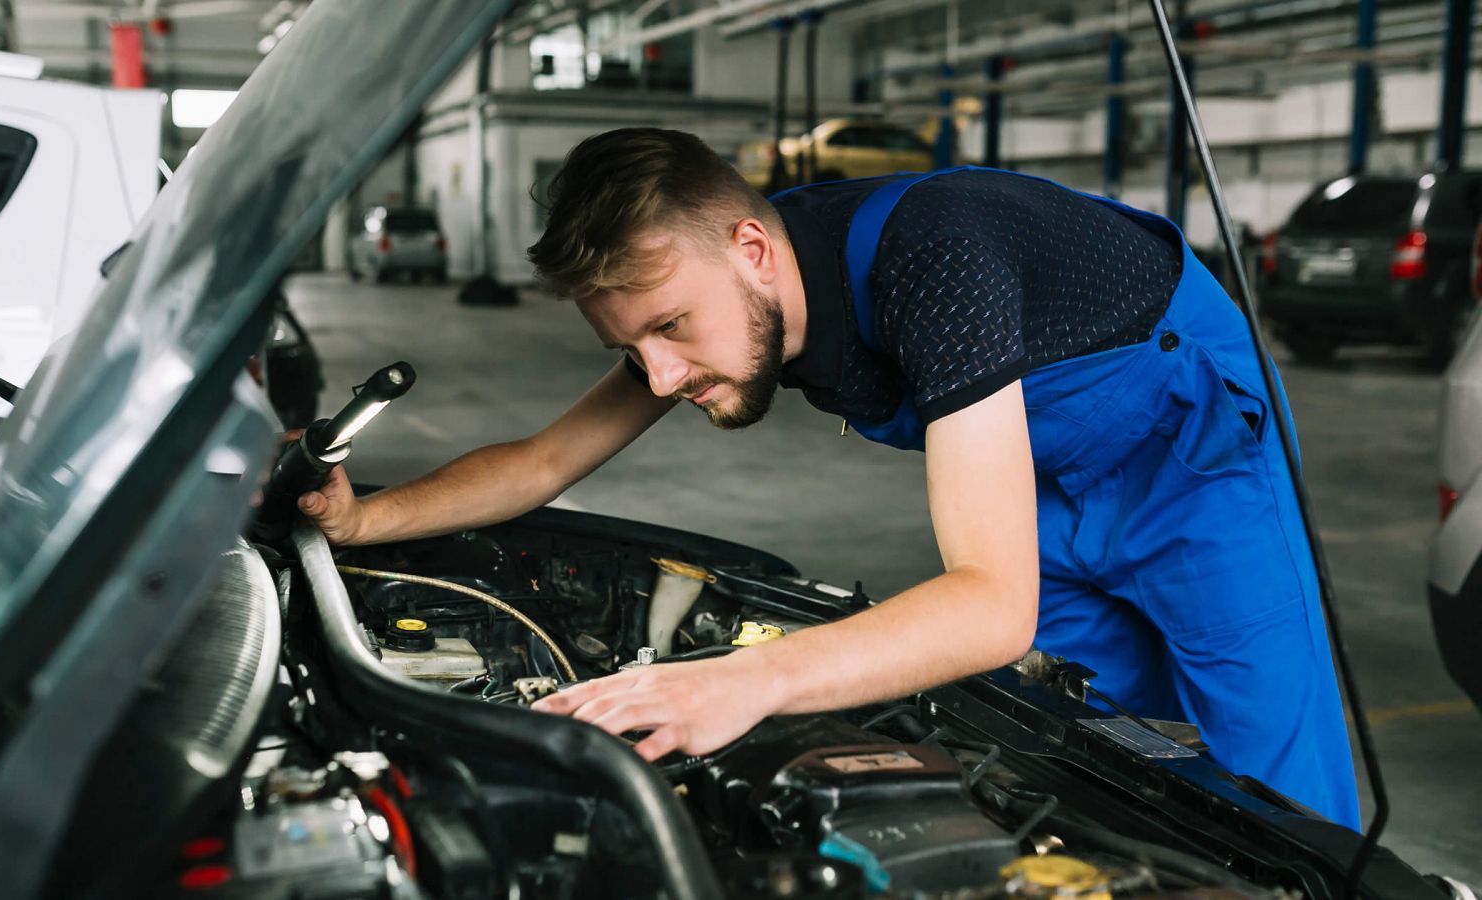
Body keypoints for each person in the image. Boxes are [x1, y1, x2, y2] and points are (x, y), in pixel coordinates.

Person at [300, 128, 1360, 829]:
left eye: (670, 329)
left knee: (1275, 797)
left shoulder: (938, 259)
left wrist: (744, 679)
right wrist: (357, 523)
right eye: (634, 346)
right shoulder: (722, 290)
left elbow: (989, 605)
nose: (659, 375)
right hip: (1035, 479)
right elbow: (541, 462)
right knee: (1057, 758)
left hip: (1191, 453)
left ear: (752, 249)